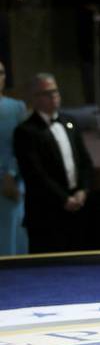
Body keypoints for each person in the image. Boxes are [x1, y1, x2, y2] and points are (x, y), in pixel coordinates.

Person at [13, 73, 93, 254]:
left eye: (55, 91)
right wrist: (64, 199)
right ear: (34, 98)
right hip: (46, 213)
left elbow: (85, 161)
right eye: (47, 93)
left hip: (76, 209)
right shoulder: (25, 131)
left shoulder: (69, 122)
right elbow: (35, 173)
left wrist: (82, 190)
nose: (54, 96)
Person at [0, 61, 28, 255]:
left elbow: (22, 146)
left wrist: (10, 174)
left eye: (1, 72)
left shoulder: (17, 108)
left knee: (12, 241)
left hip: (11, 186)